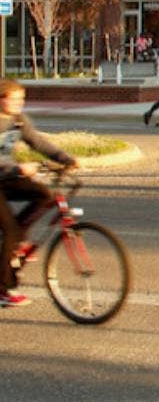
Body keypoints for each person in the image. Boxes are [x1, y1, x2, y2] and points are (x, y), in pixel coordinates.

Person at [0, 78, 79, 308]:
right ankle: (2, 290)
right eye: (13, 99)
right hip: (5, 174)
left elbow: (38, 142)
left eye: (21, 99)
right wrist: (17, 168)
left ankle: (16, 242)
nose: (18, 103)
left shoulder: (18, 121)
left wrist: (65, 158)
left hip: (6, 178)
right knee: (10, 230)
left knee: (43, 194)